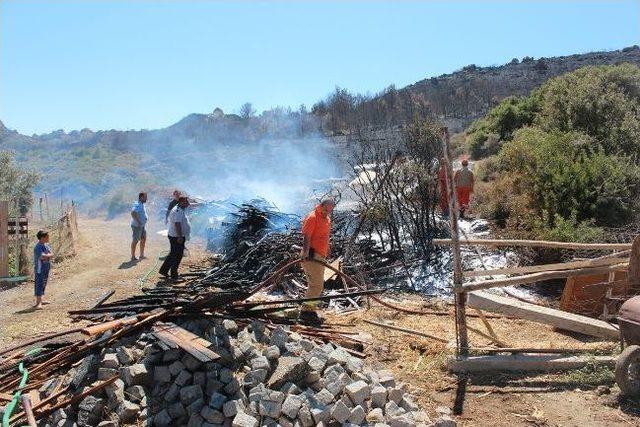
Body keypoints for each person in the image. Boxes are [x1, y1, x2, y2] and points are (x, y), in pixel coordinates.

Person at [299, 198, 335, 324]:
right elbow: (307, 236)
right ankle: (305, 313)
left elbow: (324, 236)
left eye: (330, 210)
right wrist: (305, 252)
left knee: (317, 285)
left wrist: (327, 249)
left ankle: (310, 310)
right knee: (316, 285)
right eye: (326, 209)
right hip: (312, 256)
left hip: (320, 256)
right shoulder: (312, 217)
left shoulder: (327, 219)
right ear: (321, 206)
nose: (328, 212)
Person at [160, 196, 191, 280]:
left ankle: (164, 270)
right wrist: (180, 236)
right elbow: (177, 224)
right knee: (177, 255)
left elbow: (189, 205)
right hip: (176, 236)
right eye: (185, 202)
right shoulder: (178, 211)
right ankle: (174, 275)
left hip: (174, 235)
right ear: (180, 202)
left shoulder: (179, 208)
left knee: (173, 254)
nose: (187, 204)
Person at [33, 230, 53, 309]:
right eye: (47, 237)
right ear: (42, 237)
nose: (48, 238)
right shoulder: (38, 247)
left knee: (44, 282)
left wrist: (47, 255)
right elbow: (42, 257)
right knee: (39, 283)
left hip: (46, 267)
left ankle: (41, 300)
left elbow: (52, 254)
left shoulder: (46, 245)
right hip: (40, 268)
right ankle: (38, 303)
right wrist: (48, 255)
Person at [130, 192, 148, 261]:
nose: (147, 198)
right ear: (141, 197)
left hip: (142, 226)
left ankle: (141, 255)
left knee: (143, 239)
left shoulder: (142, 204)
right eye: (145, 197)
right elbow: (133, 213)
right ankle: (133, 256)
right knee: (135, 240)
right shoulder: (138, 204)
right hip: (137, 226)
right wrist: (139, 222)